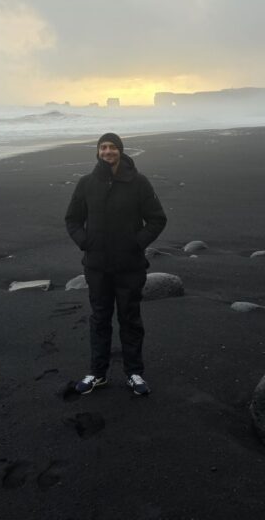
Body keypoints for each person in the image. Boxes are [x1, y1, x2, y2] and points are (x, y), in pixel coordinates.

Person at [64, 132, 167, 396]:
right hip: (97, 266)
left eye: (112, 147)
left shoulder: (138, 183)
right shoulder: (86, 183)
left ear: (120, 151)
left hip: (129, 266)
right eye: (103, 147)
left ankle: (134, 373)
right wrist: (85, 242)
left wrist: (137, 243)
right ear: (98, 152)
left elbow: (157, 219)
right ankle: (97, 374)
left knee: (130, 319)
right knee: (100, 319)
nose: (107, 151)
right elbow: (72, 219)